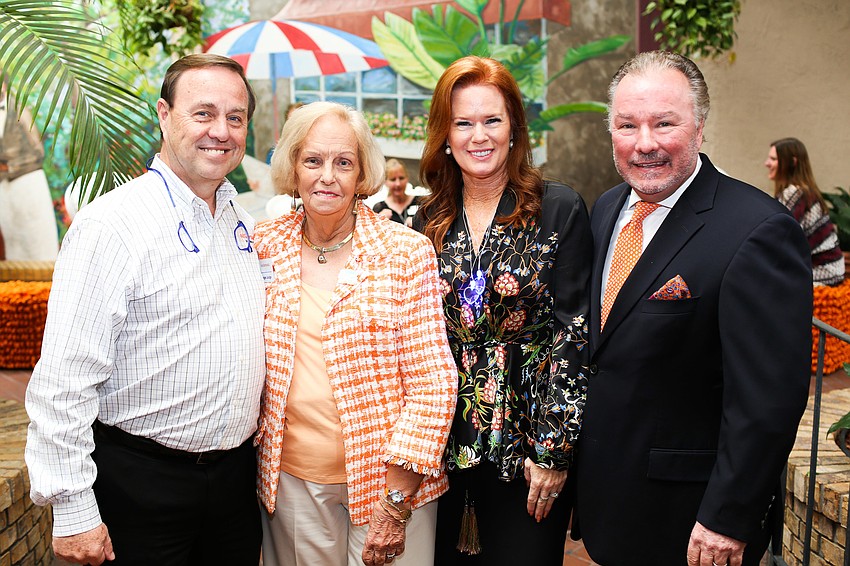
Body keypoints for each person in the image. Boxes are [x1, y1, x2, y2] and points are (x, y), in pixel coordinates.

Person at [573, 51, 813, 566]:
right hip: (611, 505)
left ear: (700, 127)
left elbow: (767, 402)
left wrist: (729, 516)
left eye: (665, 123)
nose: (645, 143)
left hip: (693, 523)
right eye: (627, 125)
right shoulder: (606, 209)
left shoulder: (757, 230)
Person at [25, 53, 266, 566]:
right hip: (139, 484)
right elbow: (63, 380)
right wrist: (73, 509)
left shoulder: (242, 224)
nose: (220, 131)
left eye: (235, 117)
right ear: (164, 115)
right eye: (203, 114)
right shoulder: (112, 226)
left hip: (232, 488)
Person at [254, 101, 457, 566]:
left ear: (363, 171)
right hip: (291, 484)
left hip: (389, 485)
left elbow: (434, 384)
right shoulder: (264, 244)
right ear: (292, 166)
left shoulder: (405, 252)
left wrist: (396, 502)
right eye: (313, 161)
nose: (327, 176)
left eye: (343, 162)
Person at [415, 56, 592, 564]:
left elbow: (573, 333)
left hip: (528, 446)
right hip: (441, 449)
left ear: (514, 126)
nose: (479, 136)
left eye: (492, 120)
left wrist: (553, 451)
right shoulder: (426, 219)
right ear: (444, 134)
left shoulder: (557, 208)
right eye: (463, 122)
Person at [765, 137, 844, 286]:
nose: (766, 163)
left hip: (823, 273)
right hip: (831, 269)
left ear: (792, 162)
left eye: (773, 159)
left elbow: (777, 239)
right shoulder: (801, 192)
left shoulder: (795, 194)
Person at [373, 158, 424, 226]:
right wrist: (379, 221)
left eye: (401, 178)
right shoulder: (379, 208)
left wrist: (417, 224)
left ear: (407, 178)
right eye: (393, 179)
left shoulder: (421, 202)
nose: (398, 184)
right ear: (385, 182)